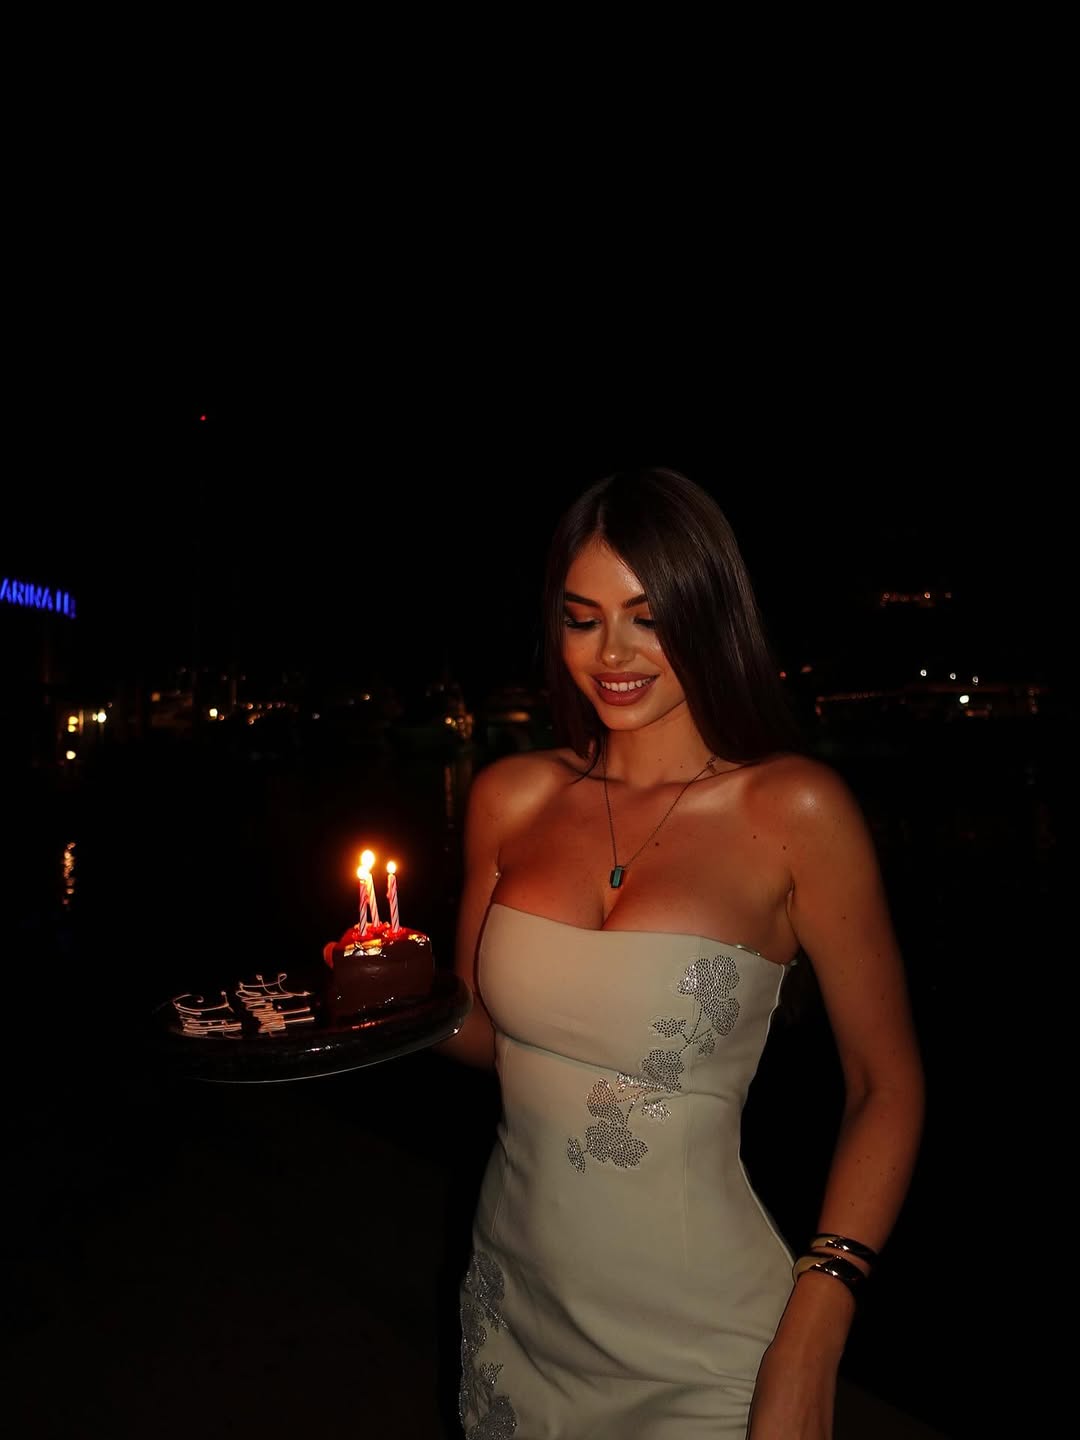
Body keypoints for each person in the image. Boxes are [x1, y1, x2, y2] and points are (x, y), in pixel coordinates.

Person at [435, 467, 925, 1439]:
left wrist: (815, 1331)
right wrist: (378, 1000)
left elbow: (886, 1086)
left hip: (707, 1346)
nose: (611, 653)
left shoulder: (793, 811)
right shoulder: (510, 798)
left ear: (709, 617)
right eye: (582, 619)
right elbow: (487, 1038)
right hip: (517, 1310)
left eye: (648, 619)